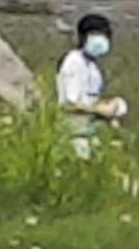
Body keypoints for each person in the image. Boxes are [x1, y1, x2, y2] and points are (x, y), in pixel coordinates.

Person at [54, 11, 128, 148]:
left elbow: (90, 97)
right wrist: (100, 110)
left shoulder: (92, 66)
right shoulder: (74, 62)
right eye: (94, 35)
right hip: (74, 133)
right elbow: (70, 103)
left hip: (89, 130)